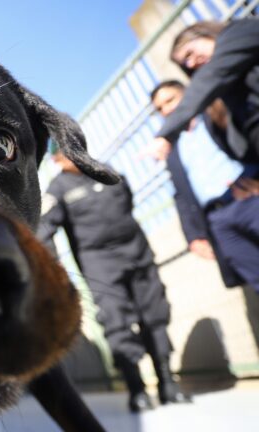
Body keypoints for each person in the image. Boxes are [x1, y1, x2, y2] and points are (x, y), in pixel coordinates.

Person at [37, 152, 192, 412]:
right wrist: (53, 264)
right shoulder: (58, 189)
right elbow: (44, 229)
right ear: (56, 161)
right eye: (63, 155)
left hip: (137, 251)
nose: (70, 158)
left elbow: (127, 200)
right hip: (99, 263)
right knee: (116, 321)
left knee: (155, 313)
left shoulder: (106, 170)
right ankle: (137, 390)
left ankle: (167, 385)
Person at [151, 80, 259, 292]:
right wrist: (193, 236)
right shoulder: (173, 151)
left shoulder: (216, 113)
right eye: (159, 108)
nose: (166, 110)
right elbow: (180, 195)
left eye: (170, 100)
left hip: (249, 200)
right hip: (218, 220)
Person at [150, 18, 259, 163]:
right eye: (186, 65)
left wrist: (166, 133)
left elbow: (214, 73)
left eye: (189, 53)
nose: (191, 63)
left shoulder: (239, 31)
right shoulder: (223, 94)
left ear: (203, 34)